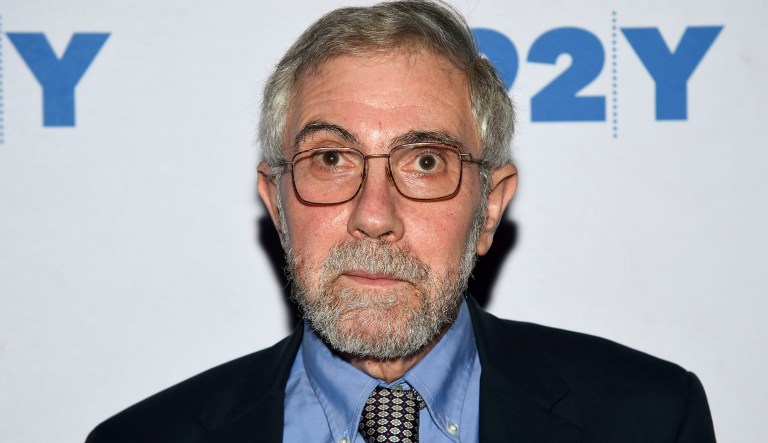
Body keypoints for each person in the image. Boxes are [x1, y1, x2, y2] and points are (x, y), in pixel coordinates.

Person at [87, 1, 716, 442]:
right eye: (331, 158)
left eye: (425, 161)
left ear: (489, 207)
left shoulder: (650, 419)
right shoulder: (143, 437)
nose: (374, 215)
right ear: (277, 204)